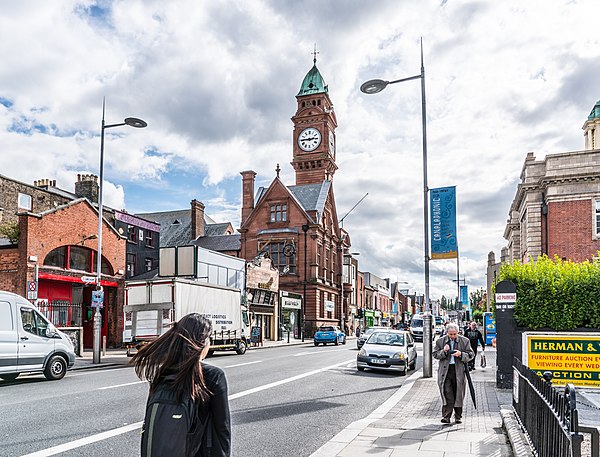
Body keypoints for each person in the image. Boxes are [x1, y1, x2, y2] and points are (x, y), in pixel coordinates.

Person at [132, 313, 231, 457]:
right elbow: (222, 429)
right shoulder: (213, 376)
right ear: (202, 342)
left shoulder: (163, 374)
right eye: (209, 338)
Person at [433, 323, 474, 424]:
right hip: (445, 371)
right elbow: (435, 354)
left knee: (458, 393)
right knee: (447, 393)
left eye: (454, 334)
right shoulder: (440, 341)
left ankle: (458, 416)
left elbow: (471, 355)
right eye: (450, 334)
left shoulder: (465, 341)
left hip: (459, 370)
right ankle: (446, 416)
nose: (452, 336)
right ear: (447, 333)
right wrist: (444, 352)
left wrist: (461, 354)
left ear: (458, 332)